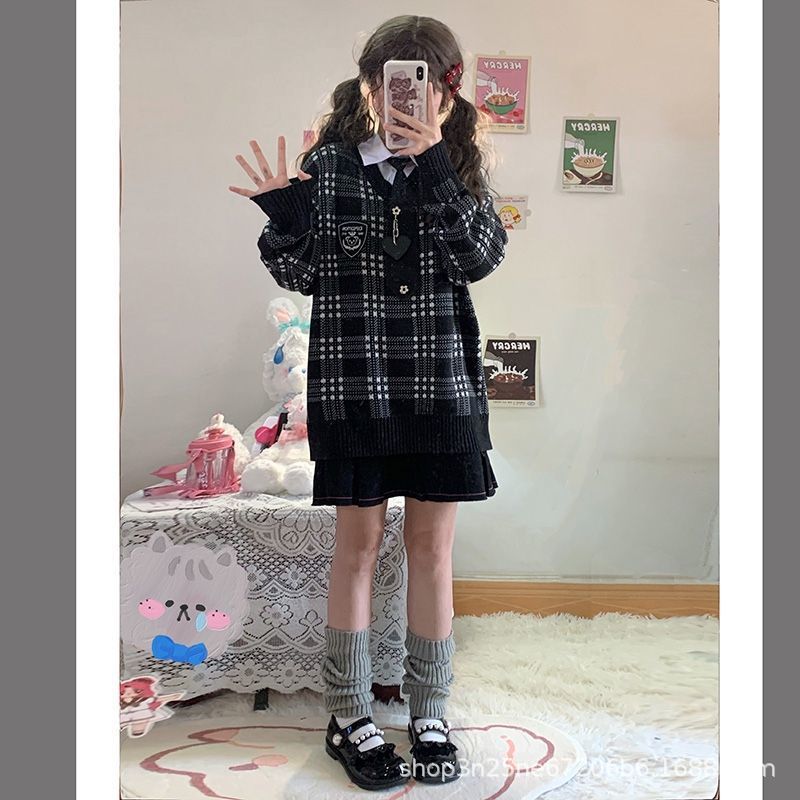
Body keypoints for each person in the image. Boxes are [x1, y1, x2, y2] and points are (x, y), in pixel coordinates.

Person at [229, 15, 508, 790]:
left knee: (433, 550)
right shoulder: (329, 166)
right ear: (370, 86)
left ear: (447, 90)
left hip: (441, 387)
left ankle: (430, 710)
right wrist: (286, 217)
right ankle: (348, 713)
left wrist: (433, 165)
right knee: (355, 549)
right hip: (354, 388)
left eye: (422, 82)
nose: (403, 98)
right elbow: (301, 276)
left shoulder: (459, 169)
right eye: (390, 81)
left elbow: (479, 257)